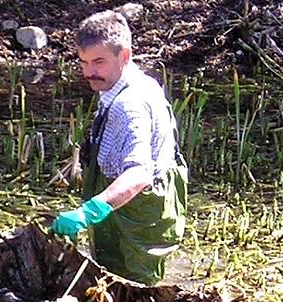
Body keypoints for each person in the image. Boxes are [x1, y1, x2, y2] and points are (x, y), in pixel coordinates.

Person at [52, 11, 188, 285]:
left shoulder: (129, 105)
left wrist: (88, 212)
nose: (89, 72)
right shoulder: (129, 84)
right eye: (84, 62)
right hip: (137, 207)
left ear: (124, 56)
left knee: (129, 289)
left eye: (99, 62)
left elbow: (138, 175)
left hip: (137, 214)